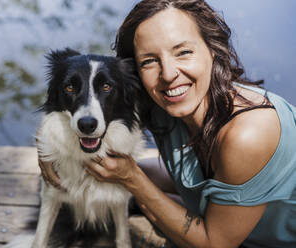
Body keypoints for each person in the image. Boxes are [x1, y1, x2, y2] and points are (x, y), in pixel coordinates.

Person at [39, 0, 296, 247]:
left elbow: (215, 244)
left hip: (252, 240)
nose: (169, 74)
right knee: (107, 175)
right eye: (149, 61)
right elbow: (79, 100)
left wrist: (133, 179)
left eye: (183, 52)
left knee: (130, 180)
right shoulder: (163, 97)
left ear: (214, 50)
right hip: (231, 220)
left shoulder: (248, 133)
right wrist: (49, 143)